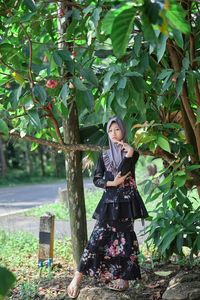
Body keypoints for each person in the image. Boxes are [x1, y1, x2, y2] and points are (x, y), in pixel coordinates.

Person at [67, 116, 148, 298]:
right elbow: (97, 179)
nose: (113, 133)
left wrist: (129, 153)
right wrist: (112, 183)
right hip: (109, 202)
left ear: (123, 131)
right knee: (97, 237)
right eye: (110, 130)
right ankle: (77, 278)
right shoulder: (103, 155)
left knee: (124, 239)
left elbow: (123, 171)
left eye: (117, 129)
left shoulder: (133, 153)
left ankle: (124, 279)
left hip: (127, 202)